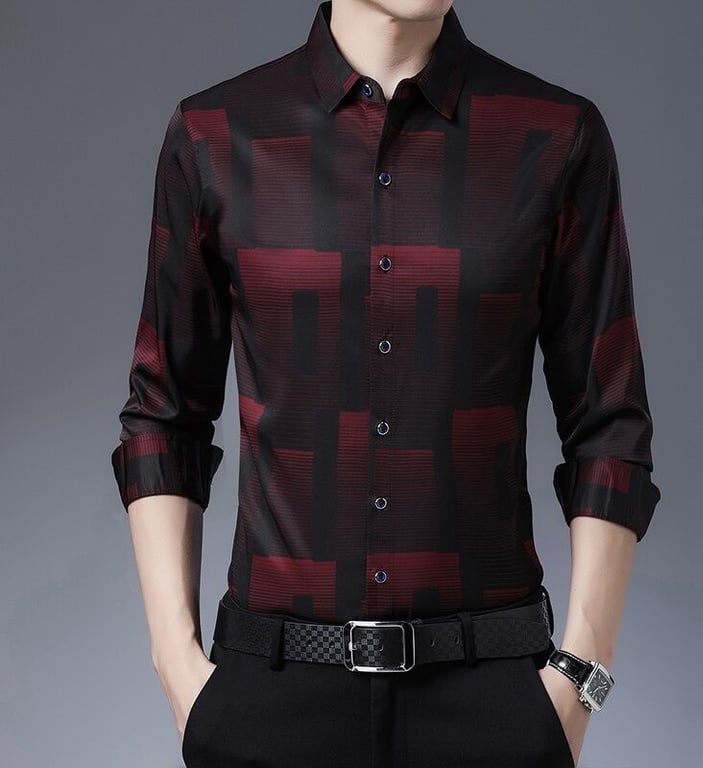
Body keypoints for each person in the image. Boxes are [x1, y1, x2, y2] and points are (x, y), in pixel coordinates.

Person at [109, 1, 661, 766]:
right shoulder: (216, 134)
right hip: (270, 699)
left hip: (492, 702)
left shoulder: (556, 137)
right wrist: (176, 664)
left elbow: (609, 425)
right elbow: (164, 416)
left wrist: (580, 677)